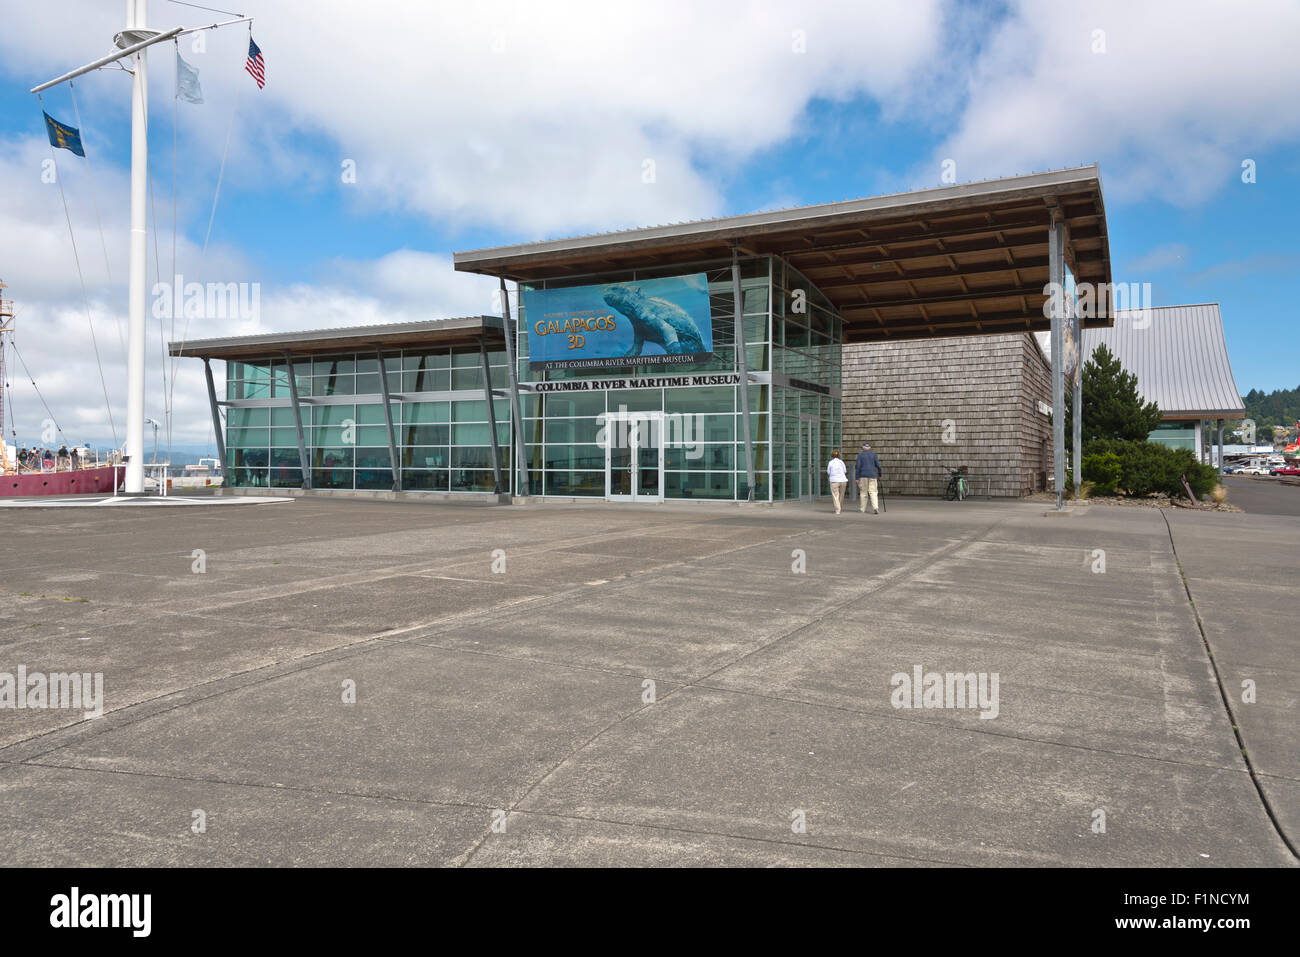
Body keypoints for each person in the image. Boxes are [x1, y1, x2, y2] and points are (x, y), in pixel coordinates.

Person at [854, 441, 883, 514]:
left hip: (863, 475)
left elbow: (858, 467)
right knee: (873, 492)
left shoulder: (860, 455)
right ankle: (875, 507)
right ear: (869, 448)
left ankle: (862, 509)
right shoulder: (874, 455)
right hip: (872, 475)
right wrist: (880, 474)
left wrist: (857, 477)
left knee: (863, 492)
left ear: (863, 448)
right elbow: (878, 465)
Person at [827, 449, 848, 514]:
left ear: (832, 456)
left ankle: (837, 509)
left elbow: (828, 472)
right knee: (841, 495)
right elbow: (845, 471)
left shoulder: (830, 462)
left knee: (835, 495)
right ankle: (840, 507)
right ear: (839, 455)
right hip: (843, 480)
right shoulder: (841, 462)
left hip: (834, 480)